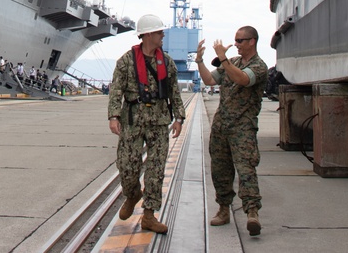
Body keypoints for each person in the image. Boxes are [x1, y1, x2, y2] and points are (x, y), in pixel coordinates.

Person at [107, 13, 186, 235]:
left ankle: (149, 215)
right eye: (160, 32)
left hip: (159, 121)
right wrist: (114, 116)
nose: (163, 36)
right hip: (133, 120)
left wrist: (179, 118)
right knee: (127, 165)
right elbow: (116, 90)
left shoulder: (167, 62)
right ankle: (132, 194)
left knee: (156, 168)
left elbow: (174, 93)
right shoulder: (126, 61)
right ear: (148, 35)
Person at [196, 25, 268, 236]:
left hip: (242, 128)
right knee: (220, 170)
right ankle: (223, 209)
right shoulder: (233, 63)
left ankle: (252, 212)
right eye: (235, 40)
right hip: (221, 126)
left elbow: (243, 79)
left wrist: (223, 59)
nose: (235, 44)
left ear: (252, 41)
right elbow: (210, 80)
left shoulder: (259, 66)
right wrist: (200, 61)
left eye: (240, 41)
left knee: (246, 170)